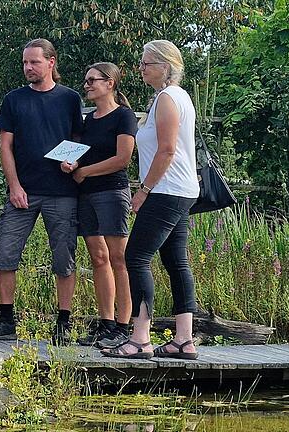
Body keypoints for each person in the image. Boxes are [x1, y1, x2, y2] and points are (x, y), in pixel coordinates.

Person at [0, 38, 83, 345]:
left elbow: (78, 140)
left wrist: (73, 162)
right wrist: (14, 185)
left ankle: (64, 321)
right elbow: (5, 145)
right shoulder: (14, 99)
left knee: (64, 257)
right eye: (24, 62)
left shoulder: (70, 99)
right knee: (5, 251)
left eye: (34, 62)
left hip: (62, 192)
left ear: (51, 62)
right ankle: (6, 319)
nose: (28, 67)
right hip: (23, 192)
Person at [102, 40, 200, 360]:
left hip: (166, 190)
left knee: (135, 258)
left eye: (146, 63)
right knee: (175, 261)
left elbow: (167, 150)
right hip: (181, 190)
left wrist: (143, 189)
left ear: (165, 66)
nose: (141, 69)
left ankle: (140, 338)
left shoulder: (168, 99)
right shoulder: (176, 97)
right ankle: (183, 340)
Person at [59, 62, 136, 347]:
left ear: (110, 84)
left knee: (119, 258)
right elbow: (83, 154)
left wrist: (85, 171)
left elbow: (122, 159)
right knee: (98, 258)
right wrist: (73, 164)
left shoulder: (124, 116)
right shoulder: (88, 120)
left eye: (93, 80)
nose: (87, 85)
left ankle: (124, 324)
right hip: (86, 194)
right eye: (86, 80)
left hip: (112, 192)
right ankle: (106, 323)